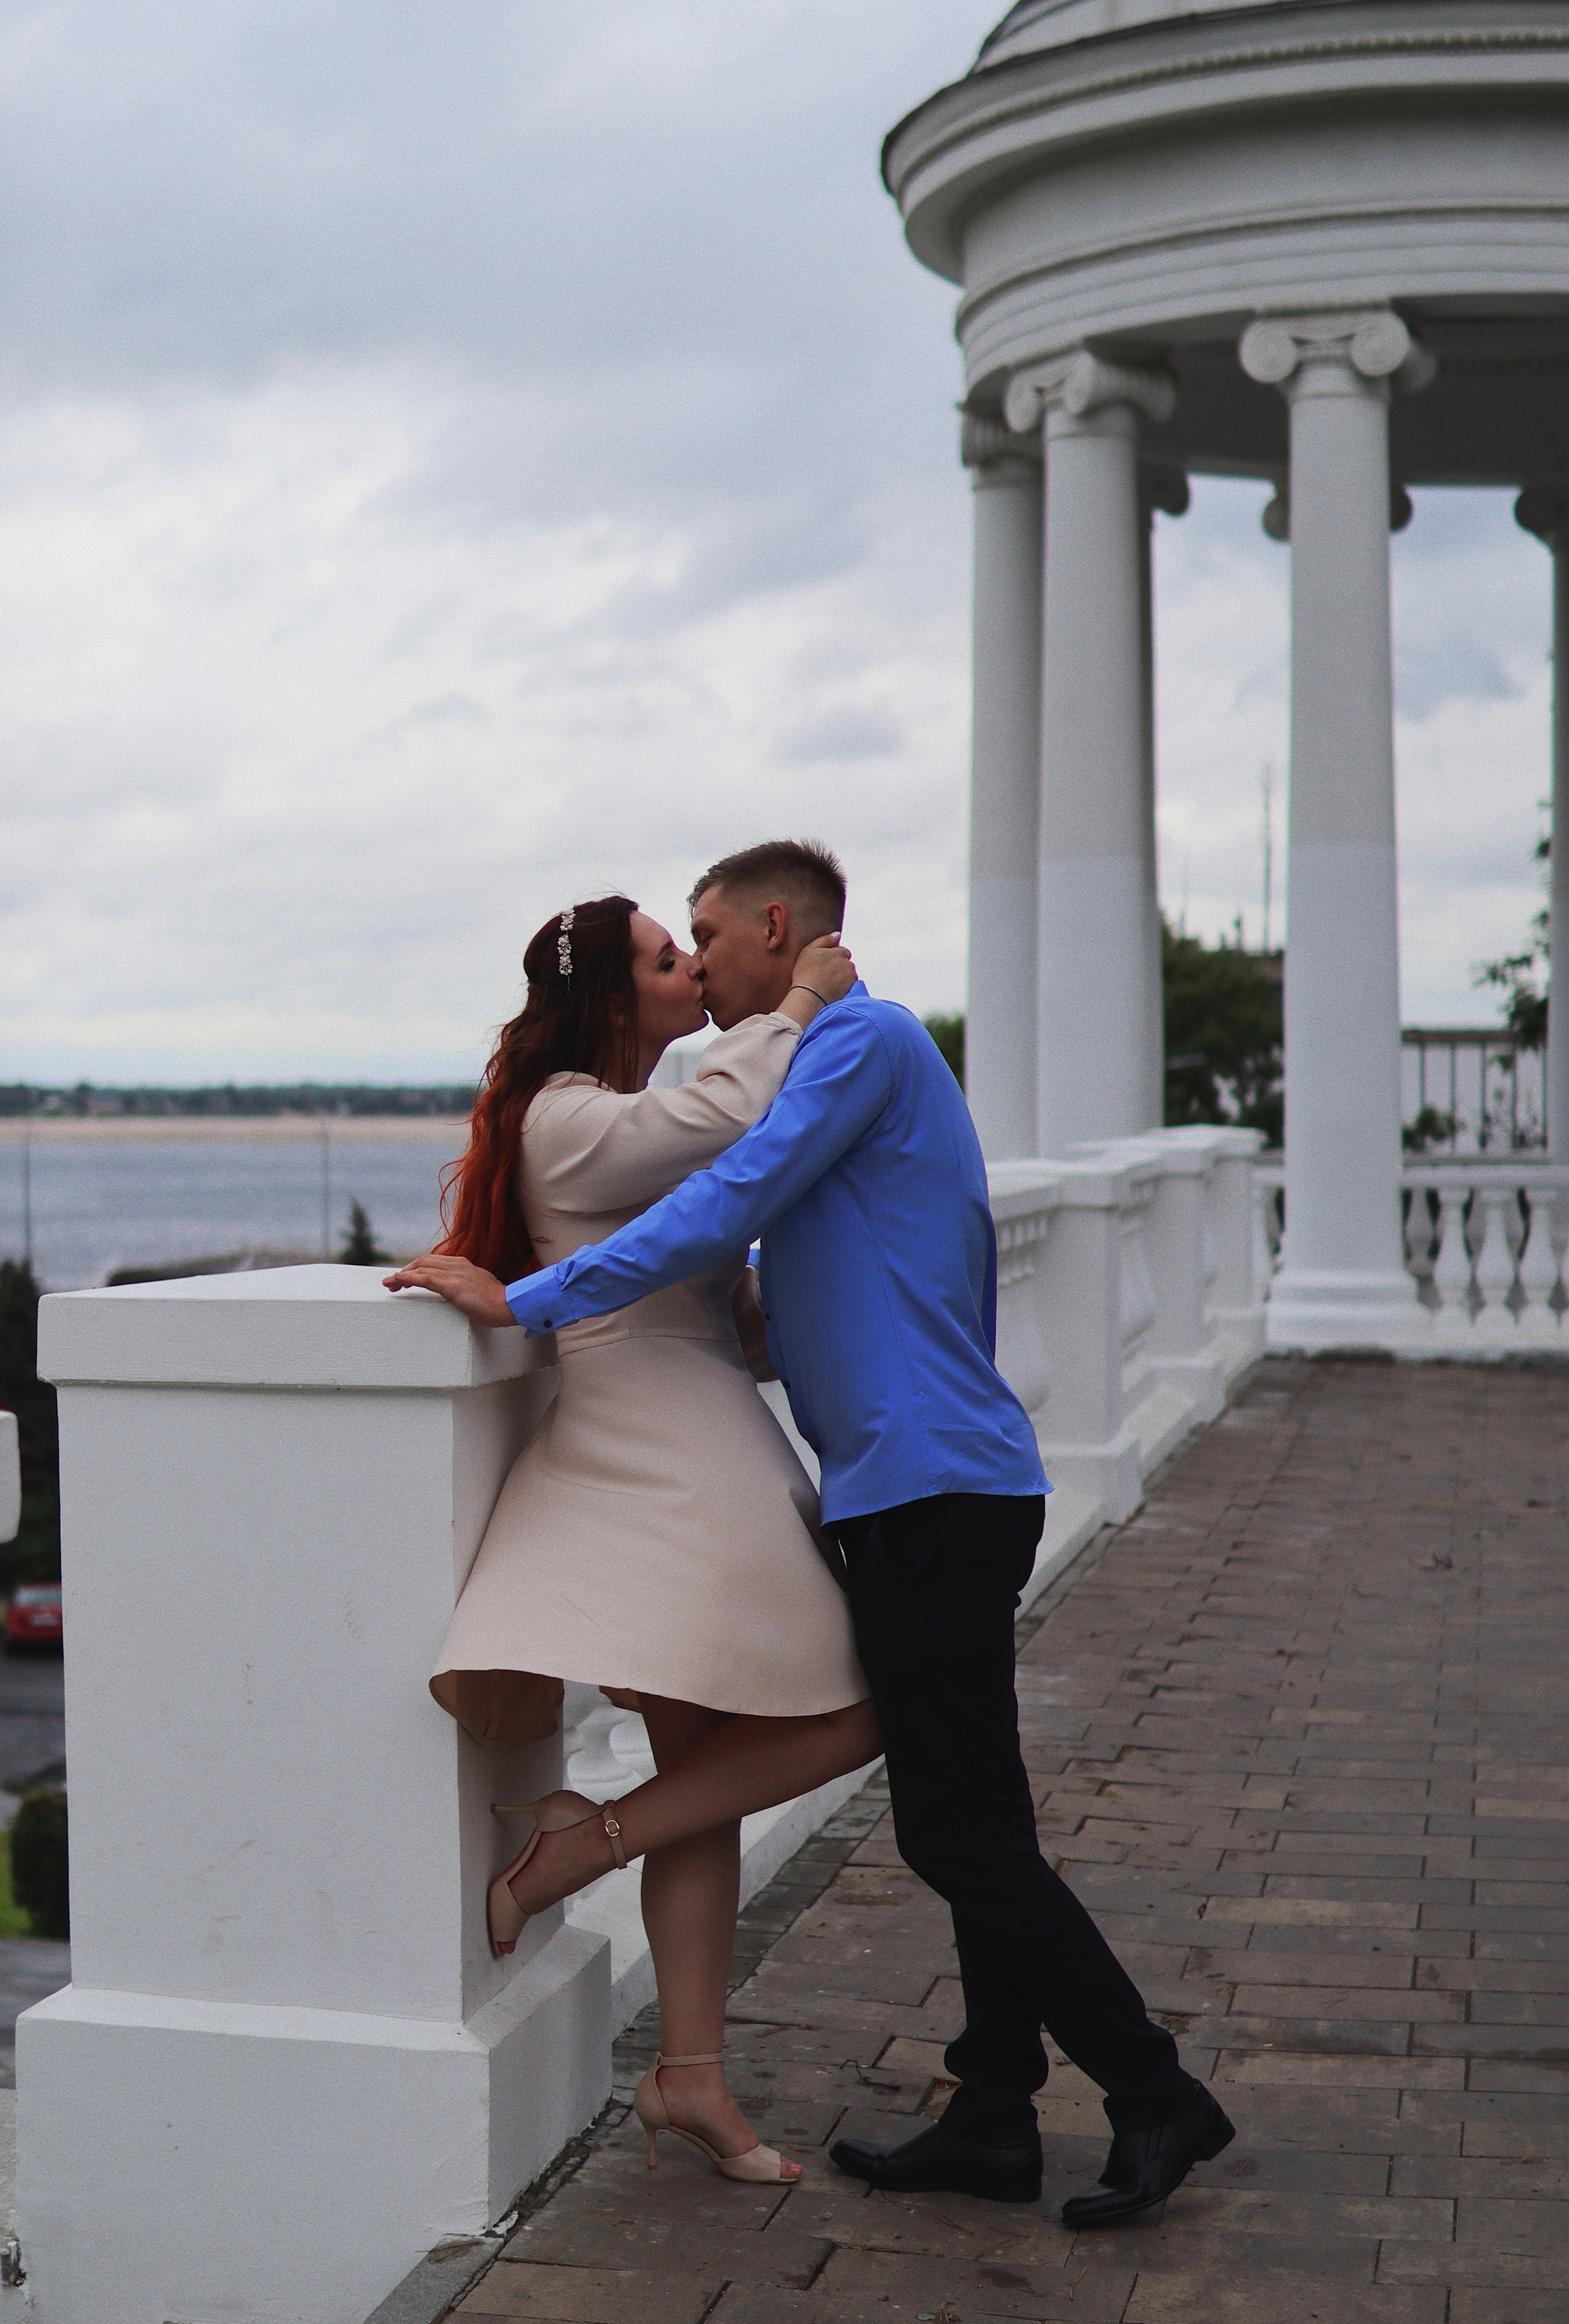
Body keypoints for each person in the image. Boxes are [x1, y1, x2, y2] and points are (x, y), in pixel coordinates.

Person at [391, 838, 1235, 2231]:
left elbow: (724, 1193)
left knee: (957, 1831)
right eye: (677, 950)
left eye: (708, 937)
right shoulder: (840, 1061)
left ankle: (1150, 2093)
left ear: (775, 928)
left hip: (926, 1489)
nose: (703, 964)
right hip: (917, 1480)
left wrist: (534, 1300)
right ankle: (992, 2111)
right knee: (978, 1817)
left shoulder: (850, 1041)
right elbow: (847, 1267)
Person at [385, 890, 881, 2187]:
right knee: (854, 1709)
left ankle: (689, 2079)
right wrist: (801, 1004)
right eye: (668, 959)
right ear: (617, 1001)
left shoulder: (624, 1125)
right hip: (656, 1468)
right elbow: (722, 1115)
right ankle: (583, 1846)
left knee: (701, 1785)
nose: (688, 967)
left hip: (696, 1446)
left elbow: (731, 1290)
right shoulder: (568, 1116)